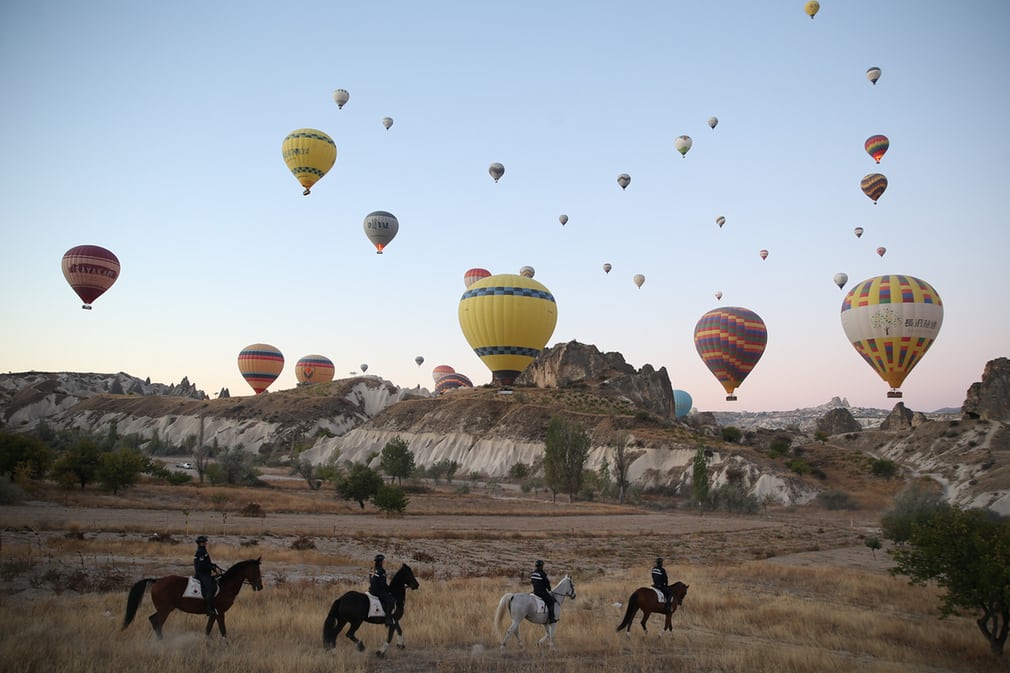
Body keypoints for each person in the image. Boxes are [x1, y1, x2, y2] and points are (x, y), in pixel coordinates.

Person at [193, 535, 221, 616]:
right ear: (199, 543)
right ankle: (208, 609)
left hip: (205, 573)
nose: (205, 543)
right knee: (210, 588)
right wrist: (210, 567)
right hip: (202, 574)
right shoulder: (200, 552)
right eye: (203, 542)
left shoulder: (203, 551)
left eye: (205, 542)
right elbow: (201, 565)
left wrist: (212, 565)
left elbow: (205, 563)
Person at [369, 554, 396, 627]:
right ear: (380, 562)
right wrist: (389, 589)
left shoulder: (372, 569)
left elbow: (371, 580)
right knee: (390, 600)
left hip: (371, 590)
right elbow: (382, 584)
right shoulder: (381, 571)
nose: (383, 562)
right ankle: (388, 619)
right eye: (383, 561)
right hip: (378, 591)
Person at [531, 559, 557, 623]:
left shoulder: (533, 573)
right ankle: (551, 618)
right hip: (542, 592)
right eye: (542, 565)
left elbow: (532, 582)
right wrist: (549, 588)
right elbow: (546, 583)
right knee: (551, 601)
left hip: (535, 591)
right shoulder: (542, 573)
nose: (542, 567)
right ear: (541, 566)